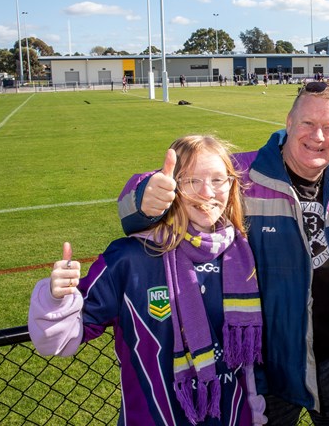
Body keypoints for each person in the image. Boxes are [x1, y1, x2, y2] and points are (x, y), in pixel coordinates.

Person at [117, 82, 329, 426]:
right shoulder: (244, 174)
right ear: (288, 121)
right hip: (265, 366)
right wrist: (144, 196)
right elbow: (172, 187)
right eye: (307, 124)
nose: (318, 136)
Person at [29, 135, 266, 425]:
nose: (207, 192)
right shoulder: (129, 258)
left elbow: (246, 365)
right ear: (171, 188)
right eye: (192, 181)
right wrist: (56, 298)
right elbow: (59, 341)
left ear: (232, 185)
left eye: (218, 180)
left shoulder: (241, 254)